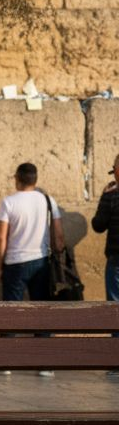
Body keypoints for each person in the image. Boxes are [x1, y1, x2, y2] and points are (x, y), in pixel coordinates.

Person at [0, 162, 64, 378]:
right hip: (41, 261)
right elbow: (59, 236)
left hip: (15, 262)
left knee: (10, 310)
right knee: (41, 310)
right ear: (35, 179)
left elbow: (1, 237)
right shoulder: (47, 200)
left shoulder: (9, 202)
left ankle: (5, 363)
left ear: (17, 178)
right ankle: (44, 364)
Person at [91, 154, 119, 381]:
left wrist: (104, 197)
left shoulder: (112, 196)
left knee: (116, 309)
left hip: (117, 259)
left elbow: (98, 225)